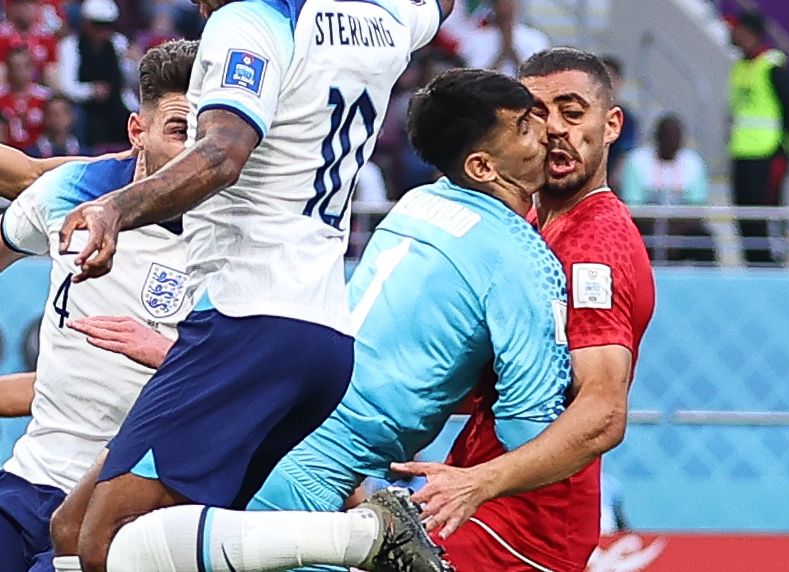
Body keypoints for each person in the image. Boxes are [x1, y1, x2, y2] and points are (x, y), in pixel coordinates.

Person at [61, 66, 568, 572]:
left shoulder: (419, 203)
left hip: (269, 413)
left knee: (78, 535)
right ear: (481, 166)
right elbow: (529, 429)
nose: (547, 133)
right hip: (313, 476)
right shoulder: (522, 259)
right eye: (526, 126)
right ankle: (363, 536)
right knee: (112, 549)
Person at [52, 0, 455, 571]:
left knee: (110, 539)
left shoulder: (251, 20)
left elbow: (221, 154)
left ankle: (366, 535)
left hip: (249, 318)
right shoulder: (384, 20)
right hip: (319, 338)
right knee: (71, 528)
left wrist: (115, 208)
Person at [393, 48, 655, 571]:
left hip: (522, 531)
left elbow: (603, 413)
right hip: (486, 510)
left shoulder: (593, 246)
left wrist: (478, 482)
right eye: (537, 114)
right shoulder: (533, 228)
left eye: (573, 111)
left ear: (611, 126)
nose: (554, 128)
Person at [0, 39, 198, 572]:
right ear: (139, 132)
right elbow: (21, 187)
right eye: (180, 132)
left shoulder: (240, 244)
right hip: (30, 481)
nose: (196, 157)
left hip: (134, 508)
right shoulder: (72, 190)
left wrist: (170, 354)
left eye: (210, 138)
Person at [727, 9, 789, 265]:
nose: (732, 33)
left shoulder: (772, 65)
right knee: (744, 216)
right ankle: (752, 265)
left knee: (766, 214)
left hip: (768, 152)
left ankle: (772, 265)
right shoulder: (739, 67)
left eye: (737, 29)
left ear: (751, 34)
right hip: (742, 151)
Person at [621, 113, 715, 264]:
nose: (671, 141)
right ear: (657, 137)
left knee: (704, 239)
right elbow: (632, 207)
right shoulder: (637, 162)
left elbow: (697, 208)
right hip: (647, 227)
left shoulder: (693, 163)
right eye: (666, 135)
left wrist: (672, 233)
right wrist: (660, 231)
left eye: (675, 136)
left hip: (682, 229)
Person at [56, 0, 137, 152]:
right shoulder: (70, 45)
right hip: (85, 107)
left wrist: (134, 62)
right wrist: (91, 91)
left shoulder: (119, 43)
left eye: (107, 26)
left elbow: (130, 81)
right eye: (98, 25)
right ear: (86, 24)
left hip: (116, 103)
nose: (103, 31)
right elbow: (67, 85)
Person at [0, 45, 50, 151]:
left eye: (24, 66)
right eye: (15, 67)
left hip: (39, 154)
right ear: (8, 69)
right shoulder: (1, 96)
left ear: (32, 68)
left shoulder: (45, 97)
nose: (19, 72)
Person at [0, 0, 59, 88]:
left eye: (31, 4)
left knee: (52, 72)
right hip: (7, 89)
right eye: (21, 4)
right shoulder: (2, 36)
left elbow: (52, 69)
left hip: (39, 88)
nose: (26, 9)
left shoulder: (46, 38)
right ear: (11, 8)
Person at [601, 55, 638, 194]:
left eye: (610, 79)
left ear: (619, 81)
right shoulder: (585, 115)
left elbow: (626, 152)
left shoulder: (627, 119)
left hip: (612, 181)